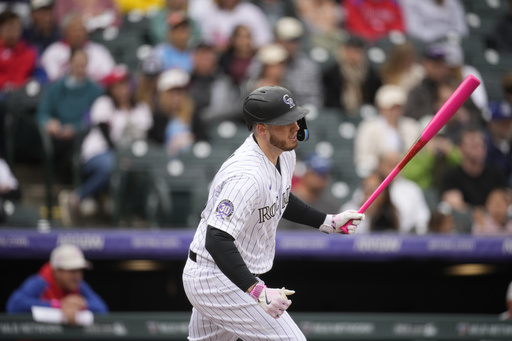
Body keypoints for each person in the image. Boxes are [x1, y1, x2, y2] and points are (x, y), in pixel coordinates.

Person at [182, 85, 365, 340]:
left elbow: (281, 199)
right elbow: (216, 238)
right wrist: (256, 290)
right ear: (262, 129)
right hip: (214, 275)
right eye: (285, 122)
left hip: (228, 271)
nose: (295, 128)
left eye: (295, 119)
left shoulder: (284, 154)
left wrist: (328, 221)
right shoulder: (246, 175)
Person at [59, 65, 153, 226]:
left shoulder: (141, 108)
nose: (122, 90)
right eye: (117, 86)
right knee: (113, 165)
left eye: (124, 84)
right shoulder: (104, 103)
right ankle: (77, 198)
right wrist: (122, 157)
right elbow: (107, 137)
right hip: (97, 153)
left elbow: (145, 138)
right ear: (110, 89)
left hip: (129, 157)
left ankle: (129, 213)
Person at [36, 48, 103, 179]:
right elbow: (42, 112)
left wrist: (75, 128)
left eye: (83, 63)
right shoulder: (56, 88)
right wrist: (48, 122)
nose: (80, 67)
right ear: (70, 63)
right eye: (77, 63)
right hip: (58, 135)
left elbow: (94, 117)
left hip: (83, 136)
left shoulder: (96, 90)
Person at [6, 244, 108, 323]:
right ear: (56, 271)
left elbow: (102, 309)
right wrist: (58, 305)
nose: (78, 276)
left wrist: (81, 305)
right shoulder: (41, 282)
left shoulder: (79, 285)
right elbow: (14, 305)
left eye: (80, 271)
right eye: (72, 271)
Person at [440, 126, 509, 232]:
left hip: (496, 227)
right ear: (461, 148)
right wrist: (475, 213)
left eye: (481, 145)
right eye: (473, 145)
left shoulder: (495, 173)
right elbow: (453, 202)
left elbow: (505, 198)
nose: (478, 149)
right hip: (464, 229)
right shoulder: (452, 175)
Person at [248, 16, 322, 108]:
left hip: (298, 114)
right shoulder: (263, 58)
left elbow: (313, 100)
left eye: (294, 40)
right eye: (286, 40)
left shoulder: (307, 66)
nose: (290, 45)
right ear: (277, 39)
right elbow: (248, 88)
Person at [354, 84, 420, 178]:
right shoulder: (369, 127)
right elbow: (363, 158)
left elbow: (417, 156)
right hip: (378, 177)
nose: (395, 111)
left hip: (406, 175)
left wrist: (400, 159)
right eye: (391, 108)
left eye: (398, 107)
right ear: (381, 108)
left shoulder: (411, 126)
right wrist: (383, 162)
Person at [41, 12, 115, 83]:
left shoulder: (99, 51)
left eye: (81, 30)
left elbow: (110, 76)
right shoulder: (53, 52)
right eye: (74, 30)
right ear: (65, 31)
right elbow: (51, 79)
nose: (78, 34)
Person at [278, 152, 339, 229]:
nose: (323, 178)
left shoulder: (331, 204)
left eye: (326, 174)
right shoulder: (289, 202)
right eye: (319, 173)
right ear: (306, 173)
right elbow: (282, 236)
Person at [322, 35, 382, 114]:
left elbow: (373, 96)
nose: (353, 55)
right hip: (339, 111)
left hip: (364, 110)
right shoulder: (332, 73)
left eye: (357, 51)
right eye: (350, 51)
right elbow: (330, 98)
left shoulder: (370, 73)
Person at [197, 0, 273, 51]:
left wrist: (242, 45)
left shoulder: (252, 12)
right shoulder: (209, 15)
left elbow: (265, 41)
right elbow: (206, 42)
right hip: (220, 62)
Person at [0, 10, 37, 92]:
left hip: (23, 95)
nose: (14, 33)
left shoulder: (29, 51)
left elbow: (38, 73)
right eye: (10, 29)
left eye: (16, 29)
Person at [399, 0, 468, 43]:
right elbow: (413, 29)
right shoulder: (411, 2)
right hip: (423, 43)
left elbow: (461, 29)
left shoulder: (453, 2)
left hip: (449, 43)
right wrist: (437, 39)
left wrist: (446, 37)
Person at [485, 100, 512, 186]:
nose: (507, 127)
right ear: (491, 125)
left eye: (509, 122)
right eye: (503, 123)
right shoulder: (485, 149)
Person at [53, 0, 122, 33]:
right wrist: (80, 18)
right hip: (77, 40)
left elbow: (117, 17)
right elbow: (60, 21)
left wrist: (101, 15)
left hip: (105, 34)